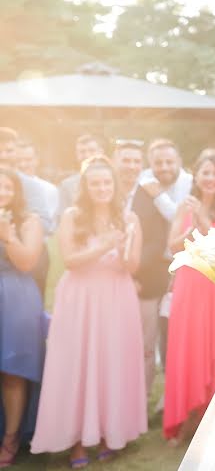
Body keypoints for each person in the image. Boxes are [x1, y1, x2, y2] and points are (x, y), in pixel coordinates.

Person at [31, 156, 145, 468]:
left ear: (115, 185)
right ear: (85, 187)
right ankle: (77, 440)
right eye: (95, 183)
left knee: (111, 360)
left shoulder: (130, 217)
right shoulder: (72, 216)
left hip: (116, 296)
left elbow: (132, 265)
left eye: (107, 182)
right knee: (78, 362)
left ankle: (111, 431)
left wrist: (123, 250)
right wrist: (103, 244)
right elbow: (69, 260)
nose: (102, 188)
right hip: (79, 298)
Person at [163, 153, 215, 445]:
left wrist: (201, 219)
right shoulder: (184, 206)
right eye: (204, 173)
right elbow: (172, 246)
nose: (210, 178)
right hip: (190, 282)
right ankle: (186, 416)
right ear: (195, 176)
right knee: (189, 346)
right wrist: (187, 227)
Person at [132, 139, 192, 394]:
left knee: (175, 337)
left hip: (185, 268)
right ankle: (142, 395)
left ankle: (170, 398)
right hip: (151, 269)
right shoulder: (144, 184)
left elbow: (180, 218)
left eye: (169, 162)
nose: (164, 167)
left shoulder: (190, 183)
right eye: (158, 162)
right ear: (150, 164)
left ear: (178, 161)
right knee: (146, 337)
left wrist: (159, 196)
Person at [0, 168, 46, 468]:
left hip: (15, 297)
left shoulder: (30, 221)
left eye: (7, 188)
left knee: (13, 370)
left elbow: (28, 261)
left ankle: (12, 437)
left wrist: (7, 235)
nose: (2, 193)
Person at [0, 129, 53, 233]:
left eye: (9, 151)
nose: (3, 156)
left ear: (18, 152)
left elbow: (45, 225)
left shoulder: (32, 185)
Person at [56, 134, 104, 220]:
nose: (87, 155)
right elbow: (60, 218)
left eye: (92, 151)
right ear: (76, 154)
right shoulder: (66, 185)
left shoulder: (113, 181)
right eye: (82, 152)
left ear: (100, 152)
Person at [112, 139, 145, 212]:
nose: (131, 167)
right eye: (126, 161)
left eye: (137, 161)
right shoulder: (103, 192)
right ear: (113, 162)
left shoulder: (150, 197)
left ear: (142, 165)